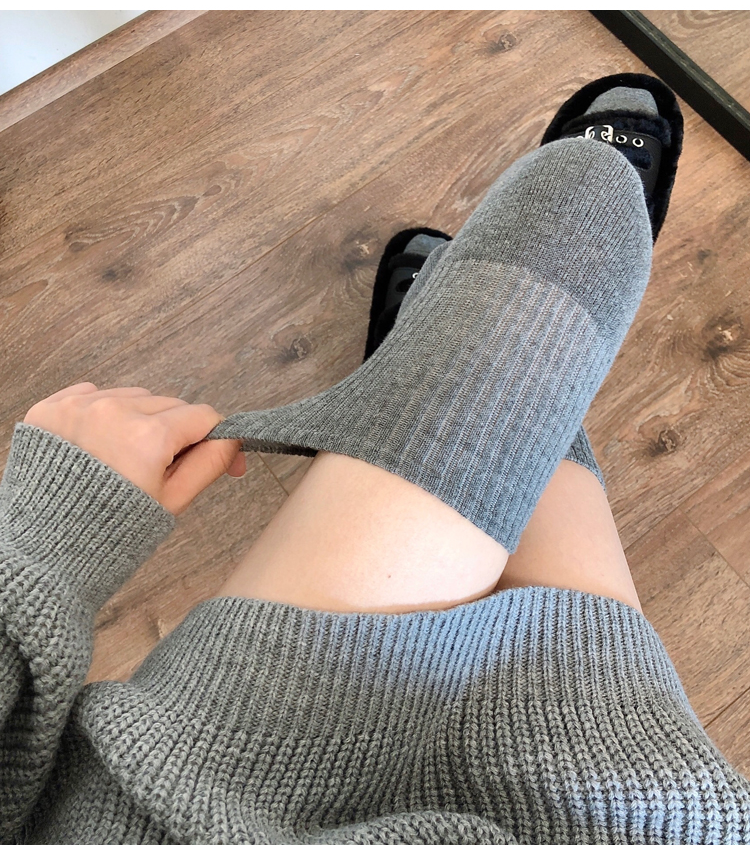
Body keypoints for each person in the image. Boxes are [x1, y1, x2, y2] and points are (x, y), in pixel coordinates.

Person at [2, 73, 748, 844]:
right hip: (601, 811)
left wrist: (47, 538)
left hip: (214, 783)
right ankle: (422, 333)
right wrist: (48, 532)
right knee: (577, 213)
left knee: (523, 338)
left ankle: (423, 339)